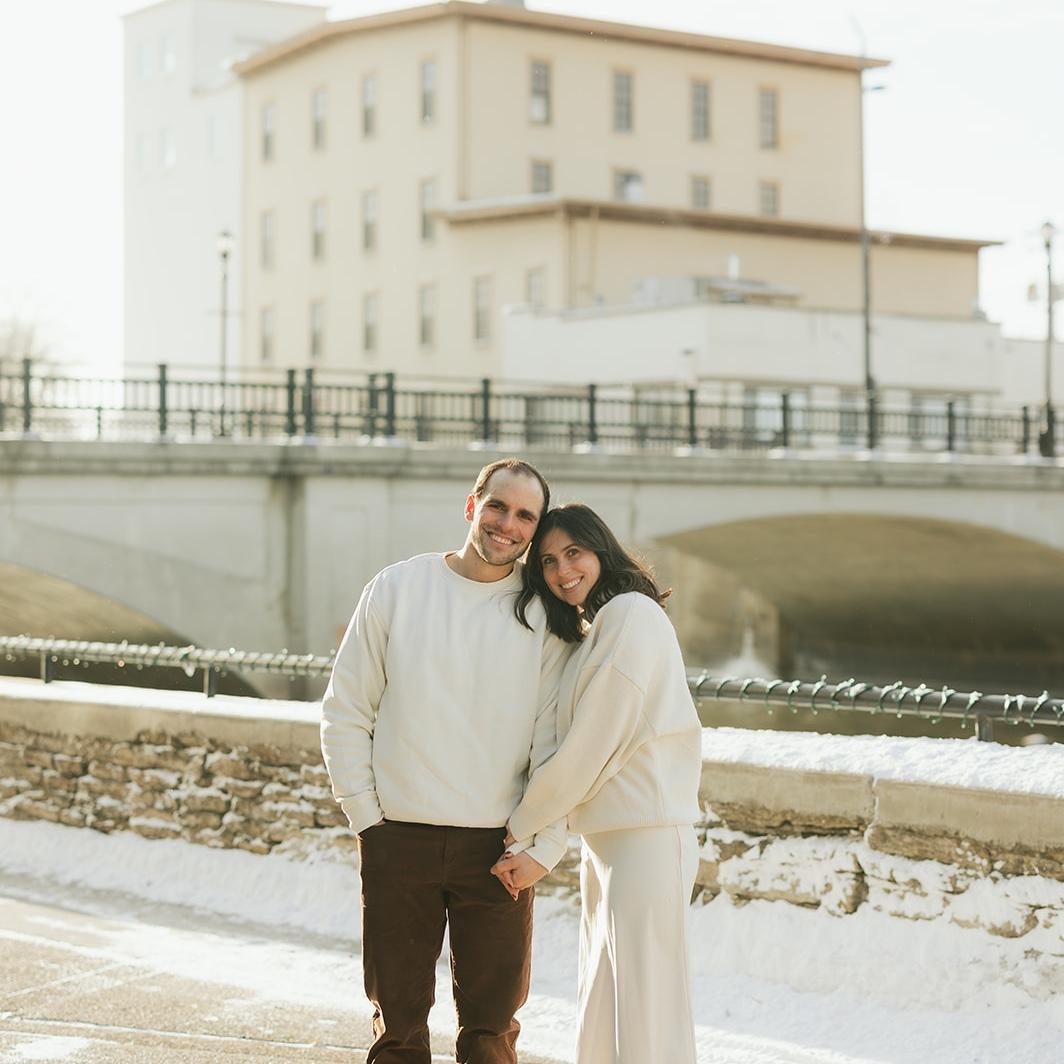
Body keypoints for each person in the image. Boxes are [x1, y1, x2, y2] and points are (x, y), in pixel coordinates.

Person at [320, 458, 569, 1064]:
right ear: (471, 505)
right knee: (399, 1033)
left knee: (491, 1033)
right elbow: (346, 710)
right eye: (498, 506)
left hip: (498, 848)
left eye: (524, 516)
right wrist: (368, 821)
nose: (507, 524)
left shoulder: (544, 618)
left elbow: (557, 744)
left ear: (535, 531)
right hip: (398, 836)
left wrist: (545, 842)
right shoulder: (398, 588)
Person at [491, 503, 702, 1064]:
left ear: (601, 551)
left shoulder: (632, 614)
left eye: (574, 553)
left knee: (647, 1007)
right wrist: (542, 835)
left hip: (649, 836)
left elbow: (590, 747)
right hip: (610, 840)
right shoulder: (596, 628)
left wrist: (518, 827)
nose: (563, 572)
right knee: (606, 1001)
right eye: (549, 562)